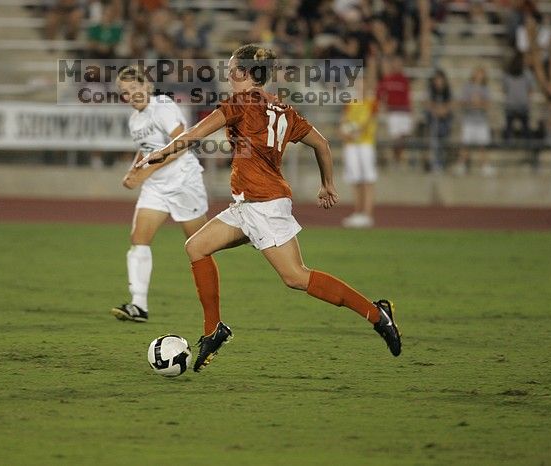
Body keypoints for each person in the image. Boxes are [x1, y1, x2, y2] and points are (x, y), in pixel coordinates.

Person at [137, 44, 402, 372]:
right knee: (197, 247)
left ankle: (377, 315)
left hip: (265, 205)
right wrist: (328, 184)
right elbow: (322, 143)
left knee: (295, 277)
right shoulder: (283, 109)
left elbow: (193, 135)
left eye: (233, 70)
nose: (229, 75)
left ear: (247, 75)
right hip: (248, 204)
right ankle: (213, 331)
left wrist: (159, 154)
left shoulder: (240, 103)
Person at [110, 66, 209, 322]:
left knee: (202, 245)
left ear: (146, 85)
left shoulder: (162, 107)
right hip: (156, 186)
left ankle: (244, 233)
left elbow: (182, 144)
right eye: (125, 92)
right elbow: (146, 149)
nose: (131, 94)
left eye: (134, 87)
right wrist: (133, 171)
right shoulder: (135, 119)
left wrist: (144, 173)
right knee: (139, 240)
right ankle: (138, 306)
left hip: (184, 182)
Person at [339, 80, 379, 228]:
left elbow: (368, 121)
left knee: (368, 180)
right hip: (351, 145)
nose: (360, 88)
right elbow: (344, 120)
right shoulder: (351, 103)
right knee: (355, 180)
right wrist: (344, 131)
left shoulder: (371, 102)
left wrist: (353, 131)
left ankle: (368, 215)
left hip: (365, 144)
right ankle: (357, 212)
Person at [455, 67, 493, 176]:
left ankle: (484, 166)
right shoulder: (467, 87)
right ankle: (461, 165)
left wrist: (479, 103)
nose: (478, 76)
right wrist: (472, 102)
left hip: (481, 121)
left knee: (483, 145)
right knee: (465, 144)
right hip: (469, 120)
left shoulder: (485, 88)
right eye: (477, 73)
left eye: (481, 74)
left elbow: (488, 104)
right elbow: (462, 102)